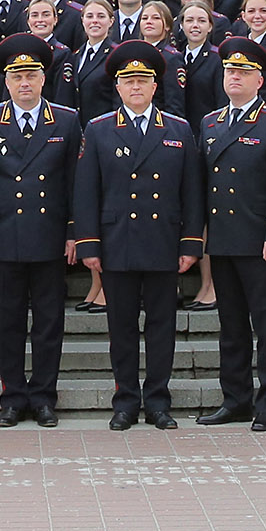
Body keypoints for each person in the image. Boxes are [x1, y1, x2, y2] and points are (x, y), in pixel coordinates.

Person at [75, 40, 204, 429]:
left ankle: (159, 402)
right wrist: (89, 244)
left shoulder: (178, 130)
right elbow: (86, 192)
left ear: (154, 86)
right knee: (122, 328)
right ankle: (126, 401)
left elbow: (192, 193)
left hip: (164, 243)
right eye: (128, 80)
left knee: (162, 326)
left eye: (142, 80)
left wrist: (191, 243)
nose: (135, 87)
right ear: (117, 86)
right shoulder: (98, 130)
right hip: (117, 244)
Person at [0, 33, 78, 428]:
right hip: (3, 235)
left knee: (49, 323)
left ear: (44, 78)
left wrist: (72, 232)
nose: (25, 82)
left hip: (48, 235)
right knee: (7, 323)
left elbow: (73, 183)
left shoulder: (65, 120)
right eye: (17, 76)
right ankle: (13, 396)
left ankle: (44, 396)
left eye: (31, 74)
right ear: (6, 81)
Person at [196, 36, 266, 430]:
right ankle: (235, 399)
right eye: (230, 71)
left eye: (243, 72)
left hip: (259, 240)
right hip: (222, 239)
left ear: (259, 80)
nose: (234, 77)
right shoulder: (210, 122)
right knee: (231, 326)